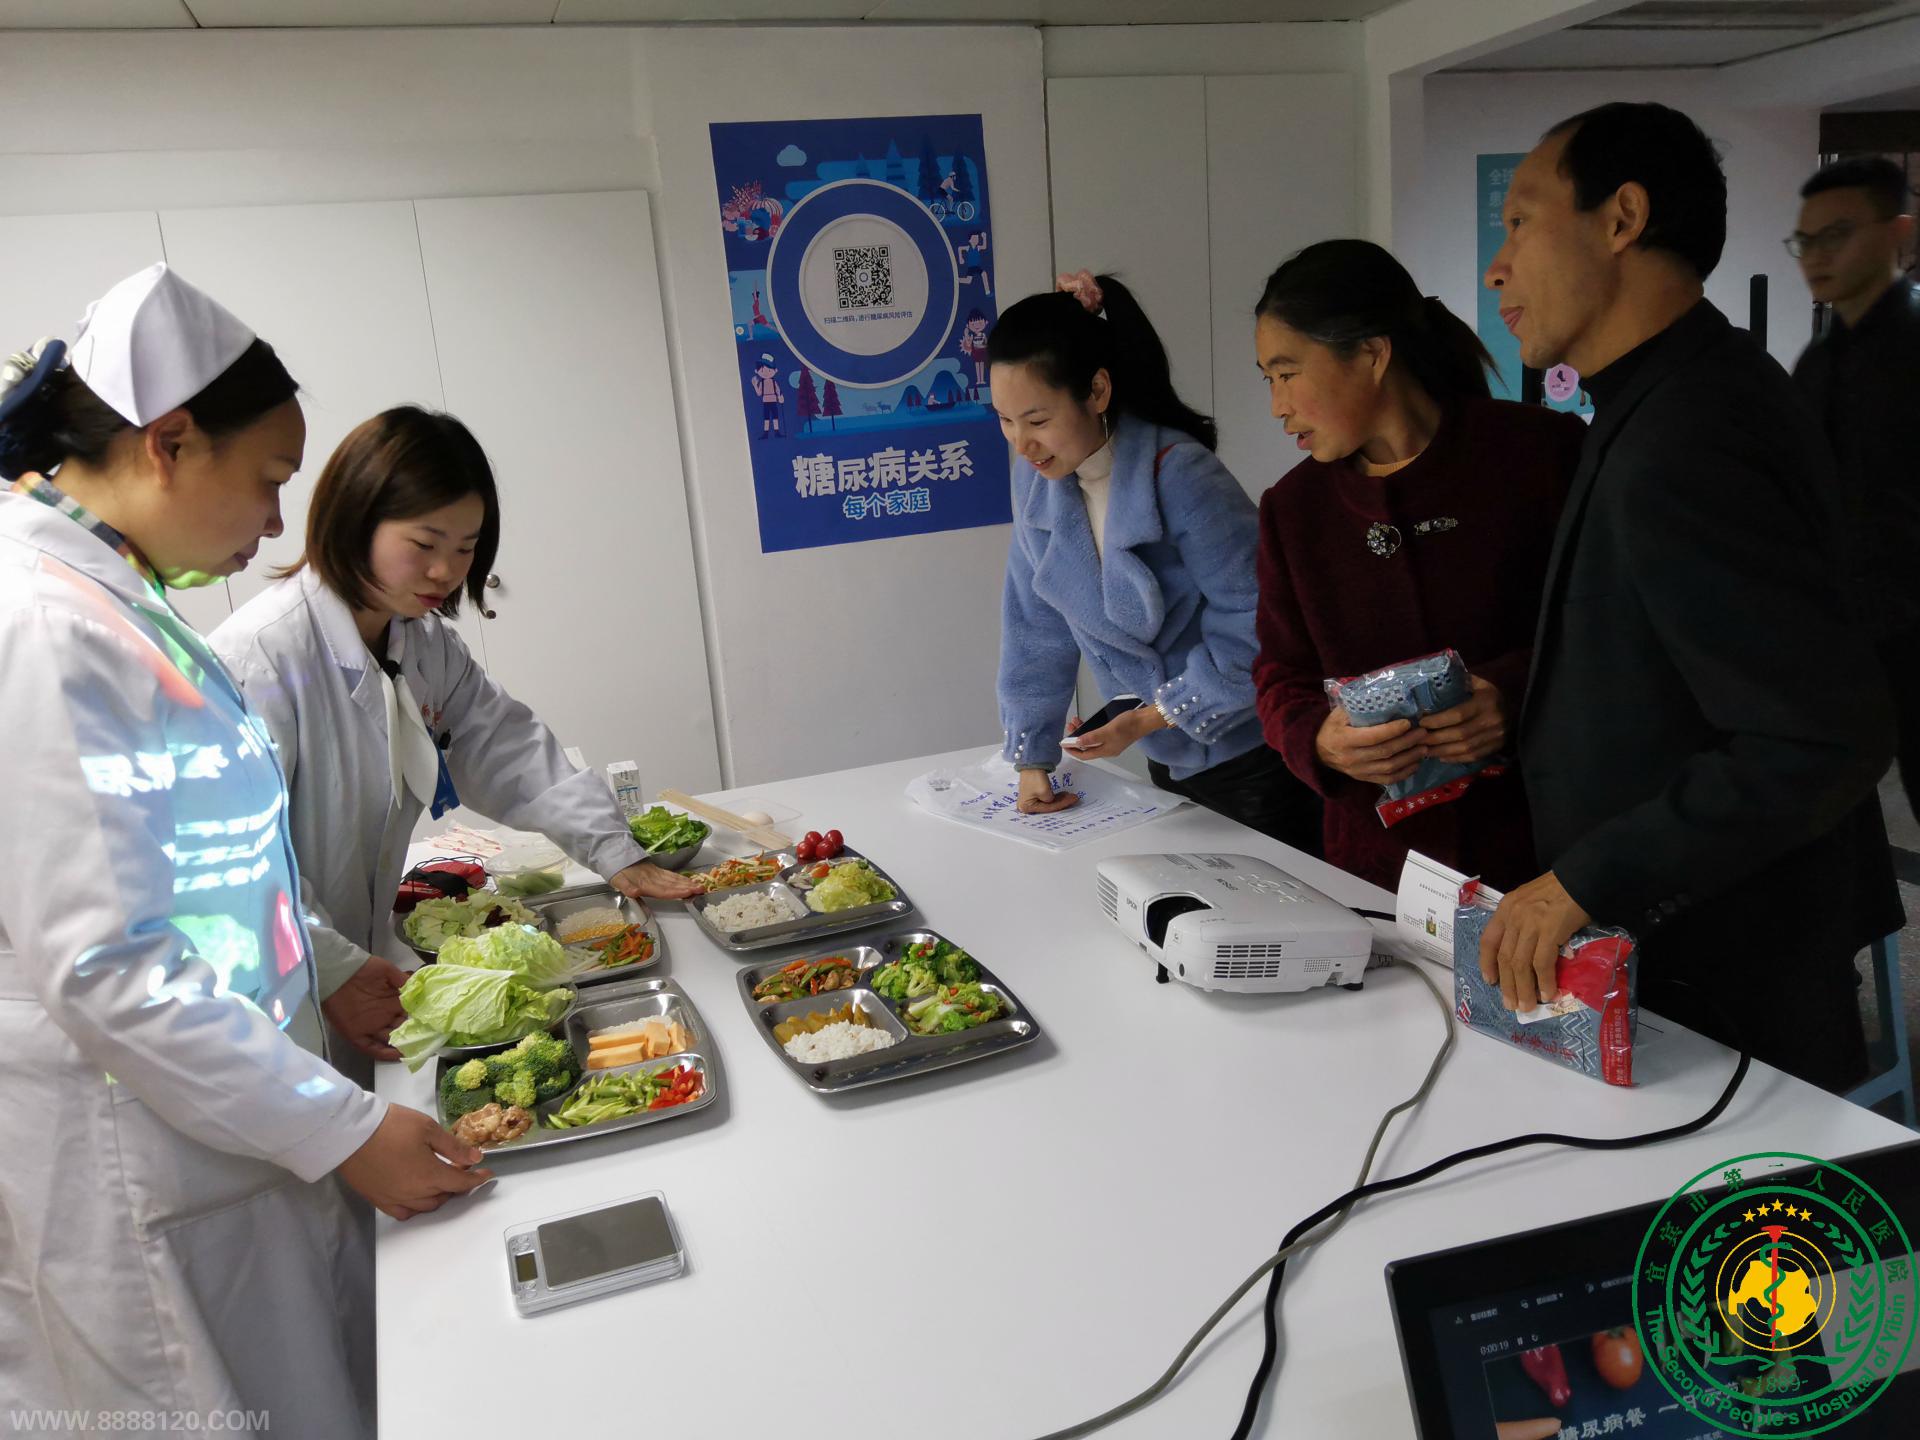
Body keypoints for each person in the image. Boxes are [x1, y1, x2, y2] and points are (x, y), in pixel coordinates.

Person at [0, 265, 487, 1438]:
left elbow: (204, 875)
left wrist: (320, 1013)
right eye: (268, 478)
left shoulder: (110, 603)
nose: (276, 520)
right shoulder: (48, 624)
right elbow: (107, 963)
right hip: (136, 1151)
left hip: (220, 1115)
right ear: (169, 442)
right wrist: (343, 1126)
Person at [1479, 102, 1901, 1091]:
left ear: (1622, 219)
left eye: (1522, 222)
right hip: (1690, 945)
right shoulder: (1665, 396)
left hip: (1729, 968)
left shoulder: (1691, 428)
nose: (1499, 267)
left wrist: (1588, 878)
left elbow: (1817, 736)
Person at [212, 405, 700, 1064]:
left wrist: (615, 851)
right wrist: (330, 968)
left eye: (466, 548)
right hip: (274, 983)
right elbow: (242, 863)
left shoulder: (422, 643)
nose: (446, 572)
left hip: (355, 959)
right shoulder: (260, 658)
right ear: (355, 520)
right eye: (425, 544)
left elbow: (508, 747)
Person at [1249, 240, 1585, 893]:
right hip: (1381, 870)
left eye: (1287, 373)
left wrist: (1511, 696)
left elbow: (1612, 630)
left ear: (1372, 354)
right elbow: (1279, 674)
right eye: (1269, 380)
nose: (1277, 405)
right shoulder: (1292, 509)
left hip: (1545, 858)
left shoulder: (1540, 456)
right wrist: (1318, 739)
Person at [991, 269, 1320, 852]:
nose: (1022, 443)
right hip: (1165, 758)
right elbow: (1034, 626)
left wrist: (1151, 716)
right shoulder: (1037, 483)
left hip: (1255, 757)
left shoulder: (1182, 474)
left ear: (1097, 391)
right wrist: (1032, 757)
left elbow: (1261, 620)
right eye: (1005, 420)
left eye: (1038, 421)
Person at [1790, 155, 1920, 824]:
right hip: (1848, 631)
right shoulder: (1819, 360)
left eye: (1836, 235)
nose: (1817, 255)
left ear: (1898, 233)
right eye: (1805, 240)